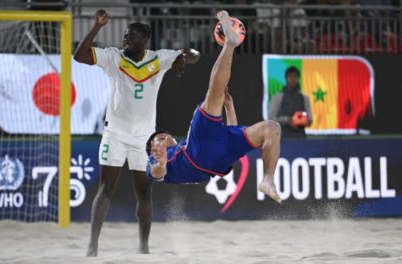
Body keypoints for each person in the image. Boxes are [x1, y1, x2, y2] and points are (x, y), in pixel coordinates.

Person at [73, 9, 200, 256]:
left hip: (144, 139)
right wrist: (97, 27)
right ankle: (92, 245)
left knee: (144, 192)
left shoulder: (159, 58)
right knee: (106, 189)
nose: (126, 39)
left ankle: (143, 247)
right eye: (125, 36)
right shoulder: (113, 57)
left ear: (144, 40)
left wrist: (182, 58)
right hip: (115, 135)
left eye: (131, 37)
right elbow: (79, 56)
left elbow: (194, 54)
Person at [145, 10, 282, 204]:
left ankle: (268, 180)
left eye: (166, 135)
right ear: (152, 147)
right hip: (196, 156)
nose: (166, 136)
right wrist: (160, 162)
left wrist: (230, 106)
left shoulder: (181, 143)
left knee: (272, 128)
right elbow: (158, 174)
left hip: (220, 157)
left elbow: (231, 131)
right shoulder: (156, 160)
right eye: (160, 138)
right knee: (213, 95)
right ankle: (230, 44)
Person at [268, 66, 312, 138]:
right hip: (282, 138)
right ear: (286, 78)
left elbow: (310, 119)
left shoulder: (305, 98)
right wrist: (287, 120)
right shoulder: (277, 97)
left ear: (298, 78)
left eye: (295, 77)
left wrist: (306, 121)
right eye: (290, 77)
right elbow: (271, 118)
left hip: (300, 138)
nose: (293, 79)